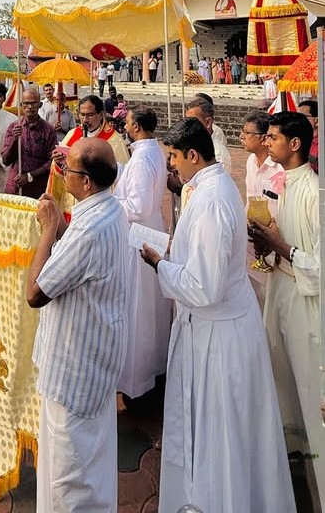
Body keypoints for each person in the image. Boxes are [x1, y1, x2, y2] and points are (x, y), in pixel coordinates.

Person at [141, 118, 296, 513]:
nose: (171, 165)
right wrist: (177, 253)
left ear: (193, 155)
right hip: (223, 324)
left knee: (221, 433)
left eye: (174, 157)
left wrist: (160, 264)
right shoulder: (212, 185)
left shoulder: (210, 201)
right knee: (223, 431)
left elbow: (203, 288)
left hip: (218, 337)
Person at [27, 138, 128, 513]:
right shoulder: (110, 209)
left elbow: (35, 293)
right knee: (90, 464)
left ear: (85, 181)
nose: (61, 172)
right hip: (96, 360)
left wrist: (48, 229)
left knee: (68, 478)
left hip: (73, 371)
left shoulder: (88, 230)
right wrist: (60, 229)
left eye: (66, 168)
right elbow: (80, 263)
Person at [250, 112, 324, 507]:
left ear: (295, 144)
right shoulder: (283, 183)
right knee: (281, 381)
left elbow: (319, 266)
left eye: (273, 137)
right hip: (280, 290)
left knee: (308, 389)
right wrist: (267, 244)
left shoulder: (313, 191)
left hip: (304, 303)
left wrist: (281, 247)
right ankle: (293, 467)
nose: (267, 142)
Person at [115, 106, 171, 401]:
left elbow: (137, 207)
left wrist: (109, 202)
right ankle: (153, 367)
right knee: (151, 306)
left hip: (139, 237)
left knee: (139, 308)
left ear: (136, 126)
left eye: (127, 121)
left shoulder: (142, 158)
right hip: (150, 230)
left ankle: (137, 377)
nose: (124, 125)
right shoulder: (151, 152)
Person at [48, 95, 129, 220]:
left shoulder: (113, 140)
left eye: (90, 115)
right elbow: (58, 171)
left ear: (101, 114)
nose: (85, 120)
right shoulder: (73, 134)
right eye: (82, 115)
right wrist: (59, 163)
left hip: (100, 205)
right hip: (73, 203)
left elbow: (122, 177)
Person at [1, 88, 57, 198]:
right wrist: (15, 139)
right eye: (26, 103)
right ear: (21, 105)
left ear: (40, 105)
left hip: (38, 189)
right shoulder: (14, 127)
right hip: (15, 187)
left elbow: (51, 161)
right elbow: (5, 160)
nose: (30, 107)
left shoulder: (48, 130)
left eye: (33, 103)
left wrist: (30, 176)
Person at [185, 97, 231, 173]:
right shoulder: (192, 144)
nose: (187, 126)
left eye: (193, 121)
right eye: (187, 121)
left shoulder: (218, 154)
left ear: (208, 122)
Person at [297, 99, 318, 174]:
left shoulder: (321, 145)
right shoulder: (299, 140)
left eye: (302, 116)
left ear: (316, 120)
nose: (298, 120)